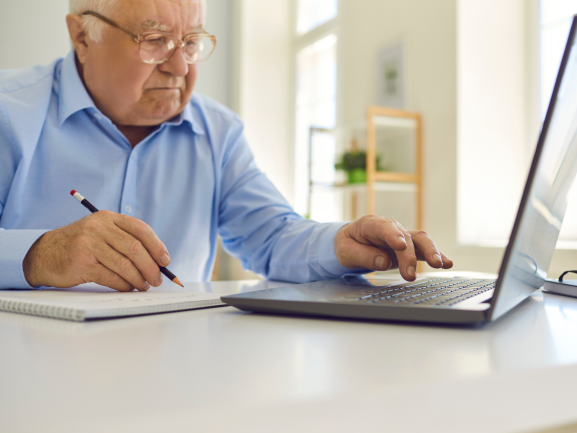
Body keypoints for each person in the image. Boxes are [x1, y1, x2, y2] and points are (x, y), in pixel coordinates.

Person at [0, 0, 452, 292]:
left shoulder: (218, 131)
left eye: (191, 42)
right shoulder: (9, 112)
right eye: (155, 41)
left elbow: (274, 239)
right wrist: (41, 253)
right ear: (82, 36)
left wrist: (340, 241)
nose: (179, 66)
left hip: (176, 371)